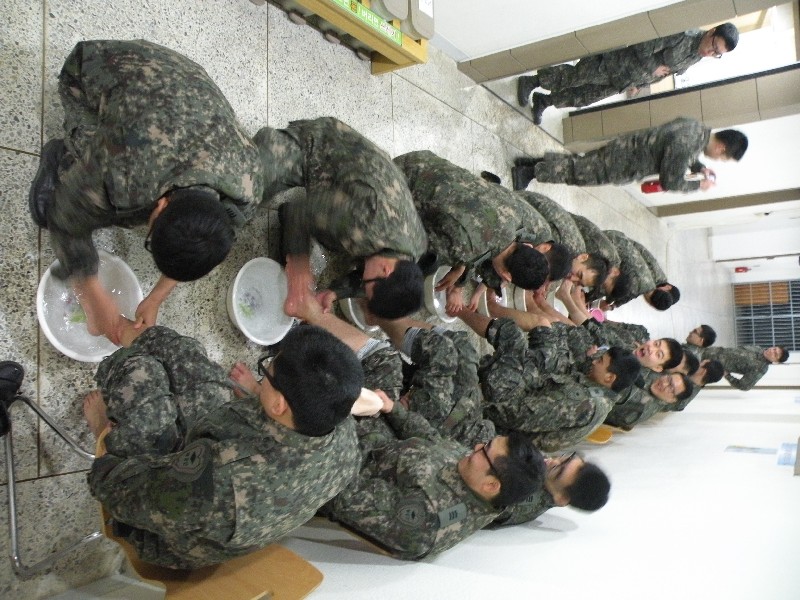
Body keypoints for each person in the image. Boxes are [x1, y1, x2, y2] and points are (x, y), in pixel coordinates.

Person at [28, 40, 269, 344]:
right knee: (108, 202)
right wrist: (92, 297)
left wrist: (156, 298)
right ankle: (62, 159)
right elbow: (65, 218)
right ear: (161, 205)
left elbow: (204, 238)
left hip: (186, 83)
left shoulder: (248, 188)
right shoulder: (127, 160)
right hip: (97, 68)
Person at [84, 322, 363, 569]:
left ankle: (104, 429)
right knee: (184, 353)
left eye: (267, 370)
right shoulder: (342, 432)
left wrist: (105, 447)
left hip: (165, 526)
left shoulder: (220, 482)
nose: (264, 374)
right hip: (214, 456)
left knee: (141, 371)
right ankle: (117, 327)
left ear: (279, 405)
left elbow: (116, 491)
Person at [258, 118, 428, 320]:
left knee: (338, 238)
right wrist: (299, 263)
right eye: (367, 285)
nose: (364, 284)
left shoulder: (413, 253)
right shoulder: (366, 222)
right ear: (386, 269)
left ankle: (322, 207)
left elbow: (372, 282)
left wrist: (334, 292)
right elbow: (298, 211)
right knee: (252, 181)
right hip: (323, 147)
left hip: (359, 186)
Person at [326, 404, 545, 559]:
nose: (477, 446)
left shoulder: (425, 518)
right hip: (374, 440)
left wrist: (340, 420)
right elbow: (434, 440)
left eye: (485, 449)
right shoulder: (474, 473)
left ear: (491, 485)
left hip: (340, 462)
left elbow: (343, 494)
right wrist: (394, 409)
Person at [393, 150, 554, 313]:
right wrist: (459, 262)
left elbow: (476, 230)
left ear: (528, 246)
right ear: (506, 276)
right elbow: (417, 238)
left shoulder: (515, 217)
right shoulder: (464, 250)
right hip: (397, 179)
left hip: (423, 160)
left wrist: (461, 265)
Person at [458, 308, 640, 452]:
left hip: (503, 419)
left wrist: (479, 404)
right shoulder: (601, 394)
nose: (594, 361)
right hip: (518, 403)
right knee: (532, 350)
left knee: (512, 338)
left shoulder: (584, 402)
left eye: (600, 361)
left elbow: (520, 415)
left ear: (610, 377)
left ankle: (458, 309)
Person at [517, 23, 740, 123]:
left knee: (583, 98)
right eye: (714, 46)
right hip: (616, 63)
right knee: (575, 76)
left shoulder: (697, 56)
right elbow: (642, 46)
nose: (710, 52)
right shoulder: (683, 34)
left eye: (716, 54)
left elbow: (665, 72)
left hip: (626, 81)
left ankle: (545, 101)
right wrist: (652, 67)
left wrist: (640, 85)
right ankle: (533, 81)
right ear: (712, 32)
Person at [512, 118, 747, 193]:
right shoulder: (690, 145)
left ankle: (533, 163)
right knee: (579, 173)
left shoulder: (695, 128)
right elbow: (671, 181)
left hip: (625, 148)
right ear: (721, 148)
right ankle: (530, 172)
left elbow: (676, 151)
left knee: (580, 164)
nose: (718, 160)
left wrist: (699, 168)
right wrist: (698, 185)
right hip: (626, 162)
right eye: (723, 158)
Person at [490, 451, 610, 527]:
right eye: (566, 459)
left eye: (557, 471)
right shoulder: (542, 477)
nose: (552, 461)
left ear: (561, 498)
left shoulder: (519, 493)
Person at [604, 372, 693, 430]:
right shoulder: (655, 375)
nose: (664, 384)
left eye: (671, 389)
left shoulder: (641, 407)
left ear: (672, 400)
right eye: (668, 379)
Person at [699, 345, 789, 391]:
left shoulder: (760, 369)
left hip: (706, 365)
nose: (772, 351)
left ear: (776, 361)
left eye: (775, 354)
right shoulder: (758, 348)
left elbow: (745, 386)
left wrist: (727, 375)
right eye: (774, 349)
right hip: (709, 351)